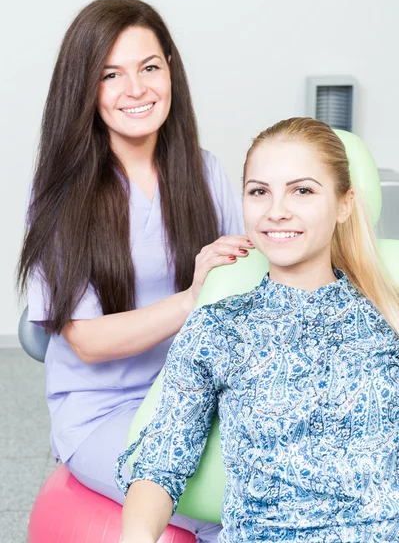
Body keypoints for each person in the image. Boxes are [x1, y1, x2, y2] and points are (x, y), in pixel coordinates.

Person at [17, 0, 249, 542]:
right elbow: (87, 342)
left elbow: (247, 279)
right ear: (85, 88)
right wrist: (193, 299)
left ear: (170, 68)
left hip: (196, 392)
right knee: (225, 500)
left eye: (149, 67)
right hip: (103, 412)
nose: (137, 89)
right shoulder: (60, 193)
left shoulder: (204, 170)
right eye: (111, 75)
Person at [116, 117, 399, 543]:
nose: (276, 210)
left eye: (301, 190)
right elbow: (160, 465)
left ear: (344, 204)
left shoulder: (387, 322)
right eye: (259, 191)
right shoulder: (218, 328)